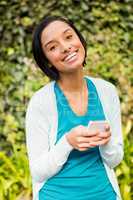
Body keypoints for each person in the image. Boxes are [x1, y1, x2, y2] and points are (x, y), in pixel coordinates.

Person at [25, 16, 124, 200]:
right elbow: (37, 172)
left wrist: (107, 141)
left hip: (104, 195)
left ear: (79, 40)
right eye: (53, 47)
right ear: (47, 61)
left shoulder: (107, 91)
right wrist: (68, 142)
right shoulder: (40, 102)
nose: (65, 47)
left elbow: (114, 159)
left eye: (69, 37)